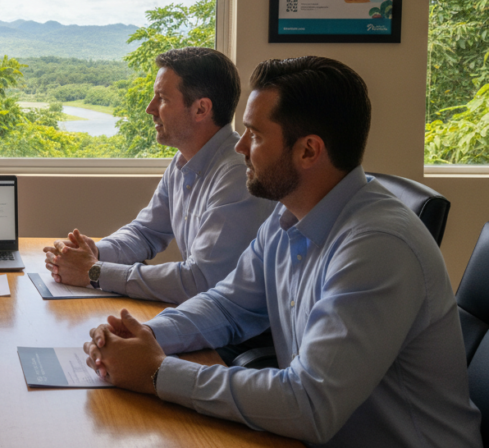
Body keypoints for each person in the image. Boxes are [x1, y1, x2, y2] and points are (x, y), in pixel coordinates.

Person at [83, 57, 482, 447]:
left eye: (254, 135)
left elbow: (309, 403)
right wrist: (146, 335)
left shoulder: (377, 246)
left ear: (308, 151)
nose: (239, 147)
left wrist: (157, 373)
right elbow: (228, 305)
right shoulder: (285, 217)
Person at [43, 47, 275, 303]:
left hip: (235, 338)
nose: (149, 108)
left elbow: (199, 281)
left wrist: (94, 272)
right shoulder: (182, 162)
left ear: (201, 109)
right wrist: (93, 252)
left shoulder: (237, 175)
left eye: (162, 99)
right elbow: (146, 232)